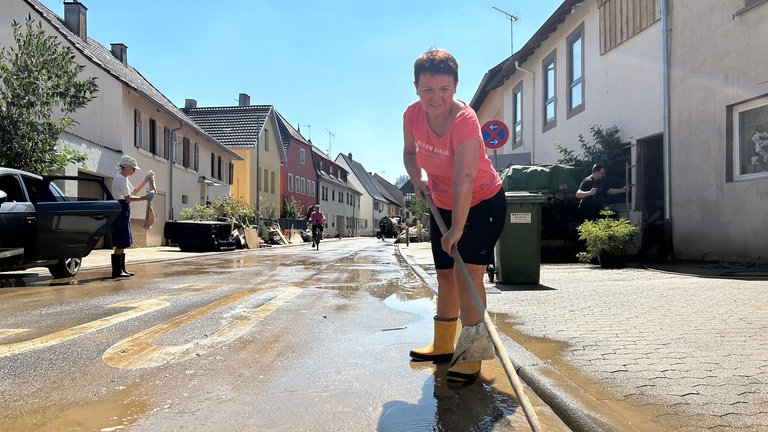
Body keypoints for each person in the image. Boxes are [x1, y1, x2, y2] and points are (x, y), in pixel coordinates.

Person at [403, 48, 506, 383]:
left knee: (468, 279)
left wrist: (457, 228)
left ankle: (472, 353)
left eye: (444, 89)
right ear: (416, 87)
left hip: (481, 203)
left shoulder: (465, 121)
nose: (436, 98)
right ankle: (443, 345)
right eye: (428, 90)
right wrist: (417, 180)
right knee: (445, 276)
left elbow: (464, 176)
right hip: (442, 203)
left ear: (456, 86)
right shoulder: (412, 115)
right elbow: (409, 153)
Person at [111, 155, 154, 278]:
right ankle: (117, 271)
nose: (134, 171)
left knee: (124, 241)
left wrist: (145, 180)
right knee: (121, 241)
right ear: (127, 167)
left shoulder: (123, 178)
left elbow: (133, 191)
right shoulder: (120, 178)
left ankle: (122, 269)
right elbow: (128, 197)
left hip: (124, 209)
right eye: (133, 169)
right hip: (121, 208)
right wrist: (144, 198)